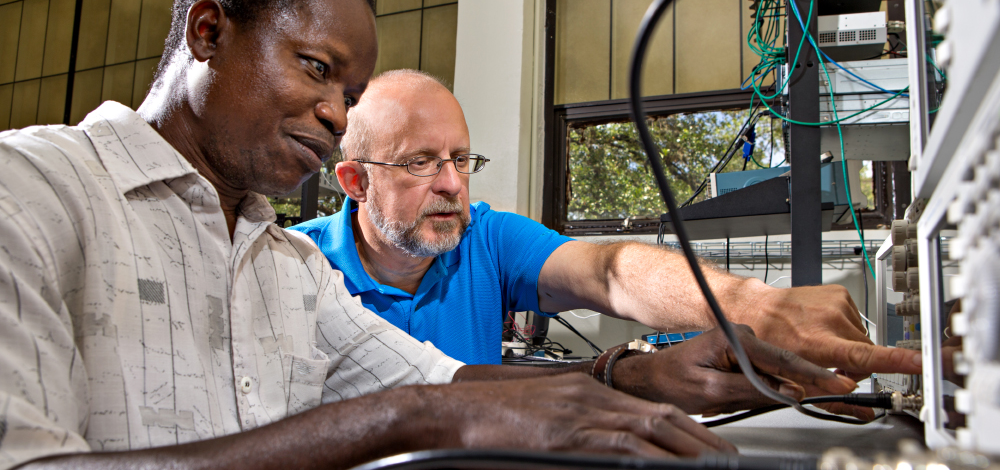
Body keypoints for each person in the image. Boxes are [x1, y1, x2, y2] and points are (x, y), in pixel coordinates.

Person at [0, 0, 856, 470]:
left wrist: (638, 372)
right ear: (208, 33)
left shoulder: (286, 268)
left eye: (352, 88)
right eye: (317, 68)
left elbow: (452, 377)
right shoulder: (34, 190)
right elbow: (423, 401)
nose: (336, 111)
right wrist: (410, 415)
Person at [291, 69, 922, 419]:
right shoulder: (293, 267)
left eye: (460, 158)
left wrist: (751, 304)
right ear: (353, 180)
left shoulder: (483, 238)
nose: (454, 184)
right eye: (422, 163)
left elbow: (610, 270)